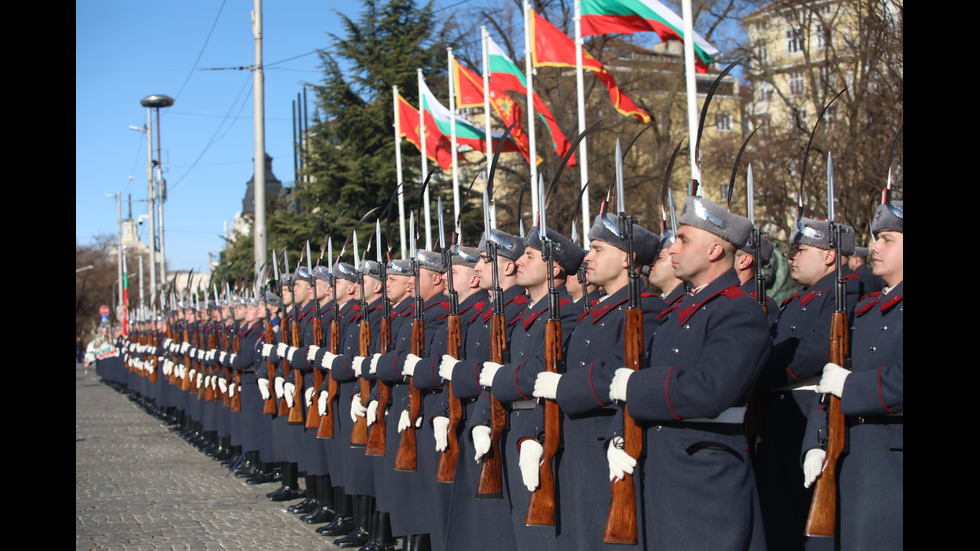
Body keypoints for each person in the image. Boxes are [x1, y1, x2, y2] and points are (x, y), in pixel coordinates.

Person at [608, 196, 769, 551]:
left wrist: (634, 385)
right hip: (660, 474)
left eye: (682, 239)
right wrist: (617, 435)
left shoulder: (739, 312)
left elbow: (710, 390)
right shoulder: (679, 313)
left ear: (714, 250)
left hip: (704, 480)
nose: (672, 247)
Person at [755, 217, 861, 550]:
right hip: (778, 418)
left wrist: (758, 372)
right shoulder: (798, 299)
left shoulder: (846, 291)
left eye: (801, 250)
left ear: (829, 256)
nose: (792, 257)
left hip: (809, 414)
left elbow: (818, 348)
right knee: (780, 521)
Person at [804, 201, 903, 550]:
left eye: (887, 239)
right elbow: (829, 377)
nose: (874, 246)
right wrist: (815, 443)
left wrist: (851, 385)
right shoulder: (865, 310)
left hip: (892, 464)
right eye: (876, 238)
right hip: (848, 460)